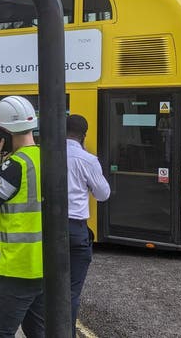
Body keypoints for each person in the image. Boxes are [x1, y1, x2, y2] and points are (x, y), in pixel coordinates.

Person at [0, 95, 44, 338]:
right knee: (39, 332)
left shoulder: (15, 166)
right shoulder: (45, 158)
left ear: (4, 132)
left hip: (15, 269)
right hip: (44, 267)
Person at [66, 114, 111, 337]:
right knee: (72, 291)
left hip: (45, 228)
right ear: (84, 136)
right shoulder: (87, 160)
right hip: (75, 230)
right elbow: (103, 194)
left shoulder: (45, 155)